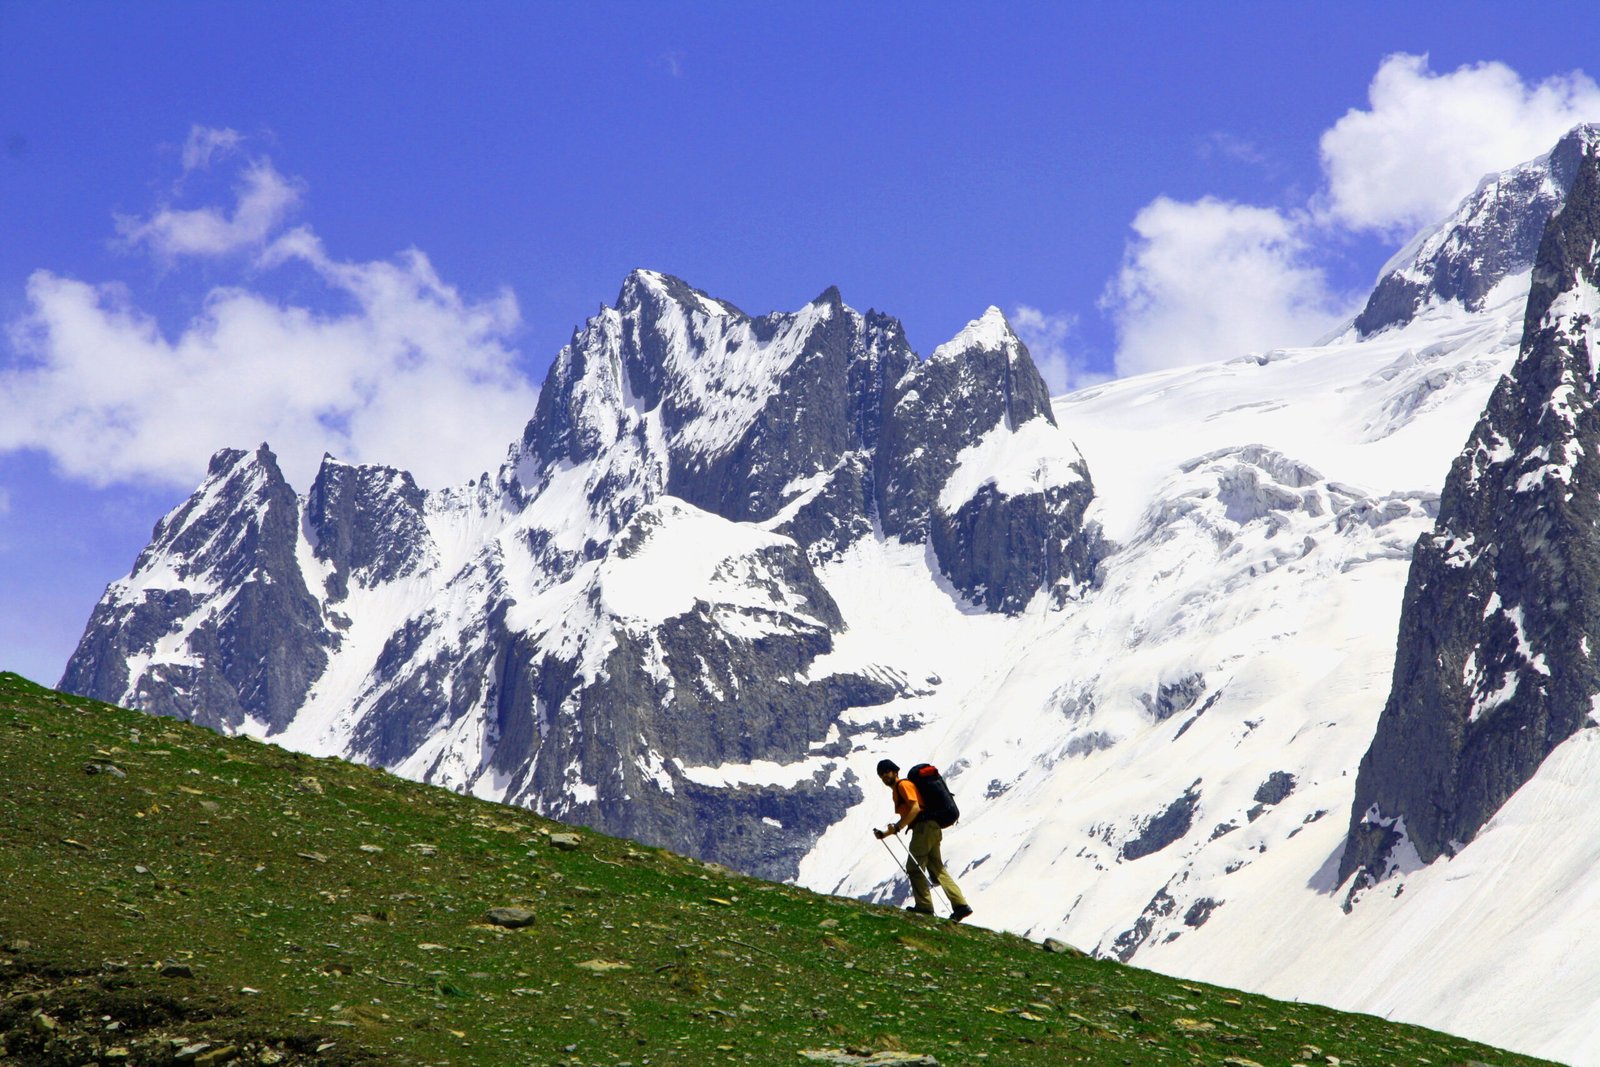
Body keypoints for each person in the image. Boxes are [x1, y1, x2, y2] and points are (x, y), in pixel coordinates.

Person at [873, 758, 973, 921]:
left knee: (914, 867)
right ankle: (960, 905)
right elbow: (908, 815)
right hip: (931, 827)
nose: (884, 776)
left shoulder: (903, 785)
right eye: (881, 774)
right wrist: (885, 833)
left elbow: (915, 808)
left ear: (895, 771)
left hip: (924, 828)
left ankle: (924, 907)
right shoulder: (898, 790)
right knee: (936, 867)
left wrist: (898, 827)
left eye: (886, 772)